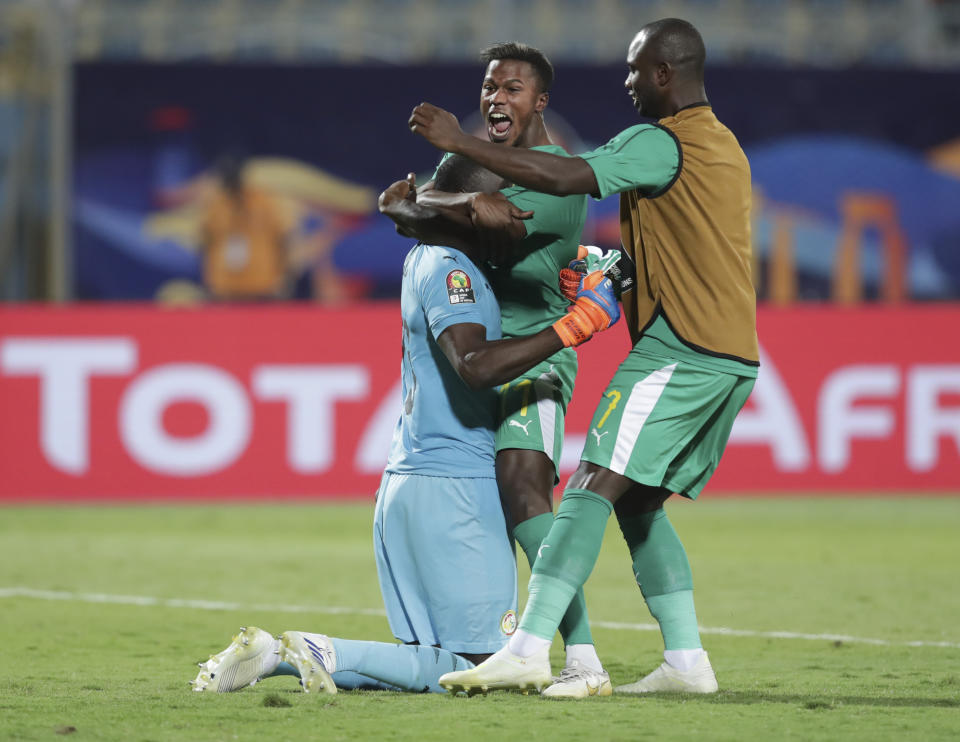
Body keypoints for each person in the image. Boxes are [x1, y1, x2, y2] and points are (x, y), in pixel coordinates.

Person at [410, 18, 758, 696]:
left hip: (680, 351)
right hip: (731, 354)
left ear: (664, 73)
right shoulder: (724, 145)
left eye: (634, 70)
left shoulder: (662, 140)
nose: (626, 82)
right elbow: (693, 243)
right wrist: (610, 267)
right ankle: (686, 664)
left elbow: (570, 174)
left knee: (589, 486)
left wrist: (454, 142)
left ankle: (533, 646)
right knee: (638, 505)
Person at [191, 153, 620, 695]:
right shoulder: (454, 270)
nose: (516, 218)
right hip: (455, 491)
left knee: (435, 661)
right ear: (472, 212)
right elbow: (475, 365)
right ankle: (320, 648)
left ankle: (273, 656)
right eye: (504, 208)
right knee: (476, 666)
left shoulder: (434, 257)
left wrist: (572, 260)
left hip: (414, 484)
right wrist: (576, 325)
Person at [391, 42, 613, 698]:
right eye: (491, 86)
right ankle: (504, 640)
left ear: (539, 102)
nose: (498, 98)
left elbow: (472, 221)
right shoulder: (471, 161)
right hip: (474, 355)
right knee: (495, 505)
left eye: (513, 89)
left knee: (524, 492)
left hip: (536, 356)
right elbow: (401, 207)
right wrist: (449, 201)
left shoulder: (560, 175)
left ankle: (584, 658)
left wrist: (446, 200)